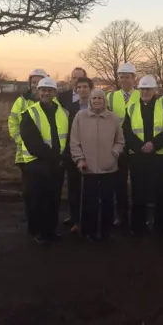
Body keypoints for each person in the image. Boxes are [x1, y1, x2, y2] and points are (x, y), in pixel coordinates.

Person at [122, 75, 163, 237]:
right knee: (138, 192)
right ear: (139, 91)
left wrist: (154, 144)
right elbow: (127, 132)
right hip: (138, 157)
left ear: (155, 91)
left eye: (148, 89)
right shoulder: (130, 108)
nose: (145, 92)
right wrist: (140, 147)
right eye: (142, 89)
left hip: (160, 156)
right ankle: (137, 227)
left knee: (160, 192)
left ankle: (160, 226)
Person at [19, 77, 69, 245]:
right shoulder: (30, 113)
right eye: (43, 90)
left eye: (49, 90)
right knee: (37, 199)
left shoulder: (62, 112)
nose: (46, 93)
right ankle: (37, 231)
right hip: (37, 163)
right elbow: (32, 142)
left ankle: (50, 230)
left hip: (57, 164)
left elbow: (66, 137)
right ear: (38, 92)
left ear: (54, 92)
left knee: (53, 199)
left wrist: (62, 158)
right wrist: (54, 157)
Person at [69, 89, 125, 241]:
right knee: (89, 201)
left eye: (100, 98)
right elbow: (74, 142)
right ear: (90, 100)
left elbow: (120, 141)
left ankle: (106, 231)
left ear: (104, 100)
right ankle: (89, 232)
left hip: (108, 167)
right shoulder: (80, 117)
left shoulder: (113, 118)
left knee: (107, 201)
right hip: (88, 167)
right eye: (94, 98)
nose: (97, 101)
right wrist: (79, 159)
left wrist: (114, 154)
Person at [8, 68, 48, 224]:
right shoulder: (22, 101)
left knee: (45, 193)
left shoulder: (51, 102)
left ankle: (45, 225)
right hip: (25, 156)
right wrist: (21, 141)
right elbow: (13, 123)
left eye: (39, 82)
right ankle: (34, 226)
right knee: (31, 193)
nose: (35, 85)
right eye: (33, 82)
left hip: (46, 156)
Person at [106, 62, 140, 229]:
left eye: (128, 77)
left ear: (134, 78)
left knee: (137, 183)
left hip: (136, 146)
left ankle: (137, 217)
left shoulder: (141, 95)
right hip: (117, 145)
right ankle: (122, 216)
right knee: (119, 183)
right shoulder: (111, 97)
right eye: (122, 77)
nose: (125, 80)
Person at [63, 76, 93, 232]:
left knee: (91, 189)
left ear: (90, 89)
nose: (82, 90)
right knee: (74, 188)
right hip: (73, 153)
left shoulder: (98, 106)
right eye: (79, 87)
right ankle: (76, 220)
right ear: (76, 89)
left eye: (85, 87)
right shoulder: (70, 108)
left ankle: (89, 220)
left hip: (93, 153)